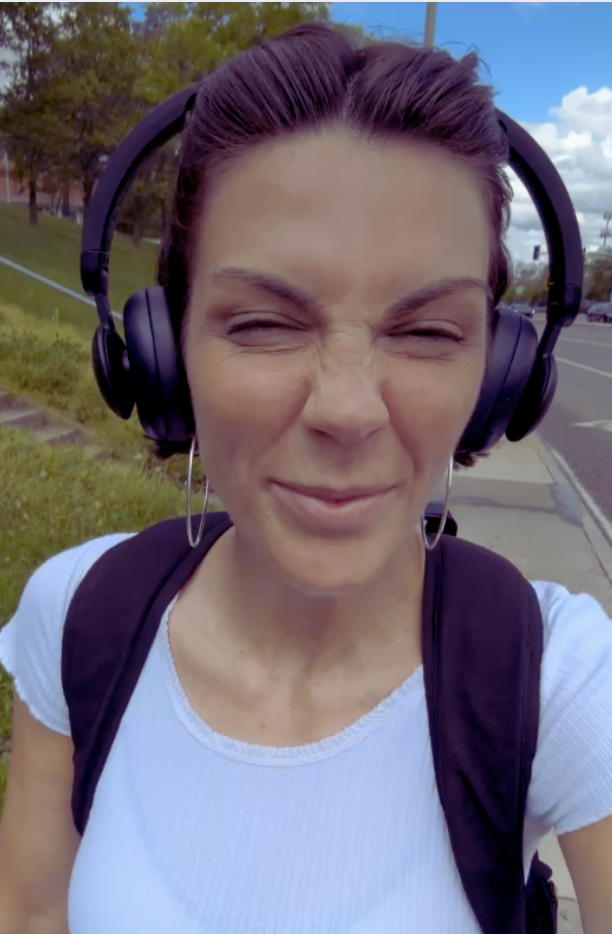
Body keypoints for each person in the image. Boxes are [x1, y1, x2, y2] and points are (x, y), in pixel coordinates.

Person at [0, 21, 611, 934]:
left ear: (500, 376)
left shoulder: (559, 678)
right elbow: (31, 908)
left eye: (426, 331)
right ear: (161, 359)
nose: (348, 409)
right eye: (263, 324)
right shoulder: (76, 612)